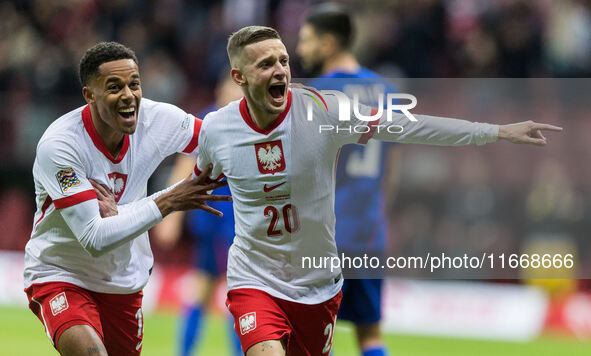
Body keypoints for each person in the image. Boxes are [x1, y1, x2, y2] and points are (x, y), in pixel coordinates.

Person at [195, 26, 561, 356]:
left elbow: (409, 126)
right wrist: (163, 206)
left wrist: (493, 130)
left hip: (317, 285)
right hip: (254, 277)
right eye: (266, 64)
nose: (280, 70)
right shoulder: (217, 128)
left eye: (284, 60)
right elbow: (197, 178)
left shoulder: (323, 111)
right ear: (238, 76)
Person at [23, 42, 230, 356]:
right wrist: (170, 200)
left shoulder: (158, 119)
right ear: (89, 95)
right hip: (62, 273)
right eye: (114, 87)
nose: (129, 95)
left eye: (134, 84)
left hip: (123, 279)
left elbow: (223, 149)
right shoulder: (61, 145)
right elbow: (93, 236)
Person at [296, 4, 397, 355]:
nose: (300, 49)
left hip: (325, 230)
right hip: (369, 230)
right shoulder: (386, 90)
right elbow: (391, 168)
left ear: (328, 44)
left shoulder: (318, 93)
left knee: (314, 332)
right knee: (370, 332)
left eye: (306, 40)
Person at [153, 74, 243, 356]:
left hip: (238, 222)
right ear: (220, 89)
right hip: (215, 220)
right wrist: (170, 216)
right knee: (217, 290)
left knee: (229, 292)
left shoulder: (252, 124)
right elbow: (185, 166)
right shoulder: (208, 122)